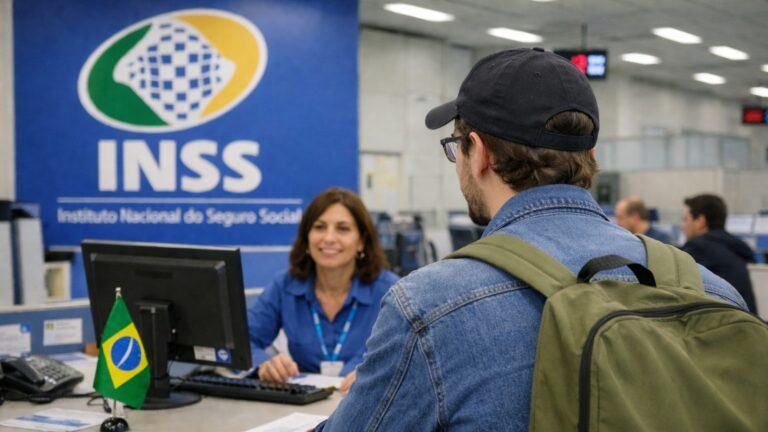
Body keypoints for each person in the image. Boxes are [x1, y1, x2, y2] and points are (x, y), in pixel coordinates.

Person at [315, 48, 745, 431]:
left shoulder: (429, 307)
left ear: (479, 153)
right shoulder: (713, 292)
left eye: (456, 147)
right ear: (592, 156)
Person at [247, 187, 398, 392]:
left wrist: (377, 374)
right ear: (307, 237)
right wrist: (263, 365)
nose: (329, 238)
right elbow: (244, 341)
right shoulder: (285, 285)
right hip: (304, 404)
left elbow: (410, 356)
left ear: (361, 242)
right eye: (319, 227)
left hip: (366, 404)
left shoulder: (392, 292)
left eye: (342, 229)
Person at [681, 193, 757, 313]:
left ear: (700, 221)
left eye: (686, 219)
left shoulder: (698, 248)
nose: (683, 226)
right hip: (749, 321)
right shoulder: (737, 248)